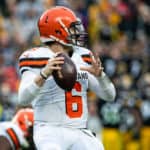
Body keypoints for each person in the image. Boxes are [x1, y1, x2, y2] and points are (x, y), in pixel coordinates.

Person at [18, 6, 116, 150]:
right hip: (49, 130)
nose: (77, 32)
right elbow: (23, 99)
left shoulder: (84, 55)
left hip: (79, 130)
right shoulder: (35, 57)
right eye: (72, 28)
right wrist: (44, 74)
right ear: (57, 31)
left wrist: (101, 76)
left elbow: (110, 96)